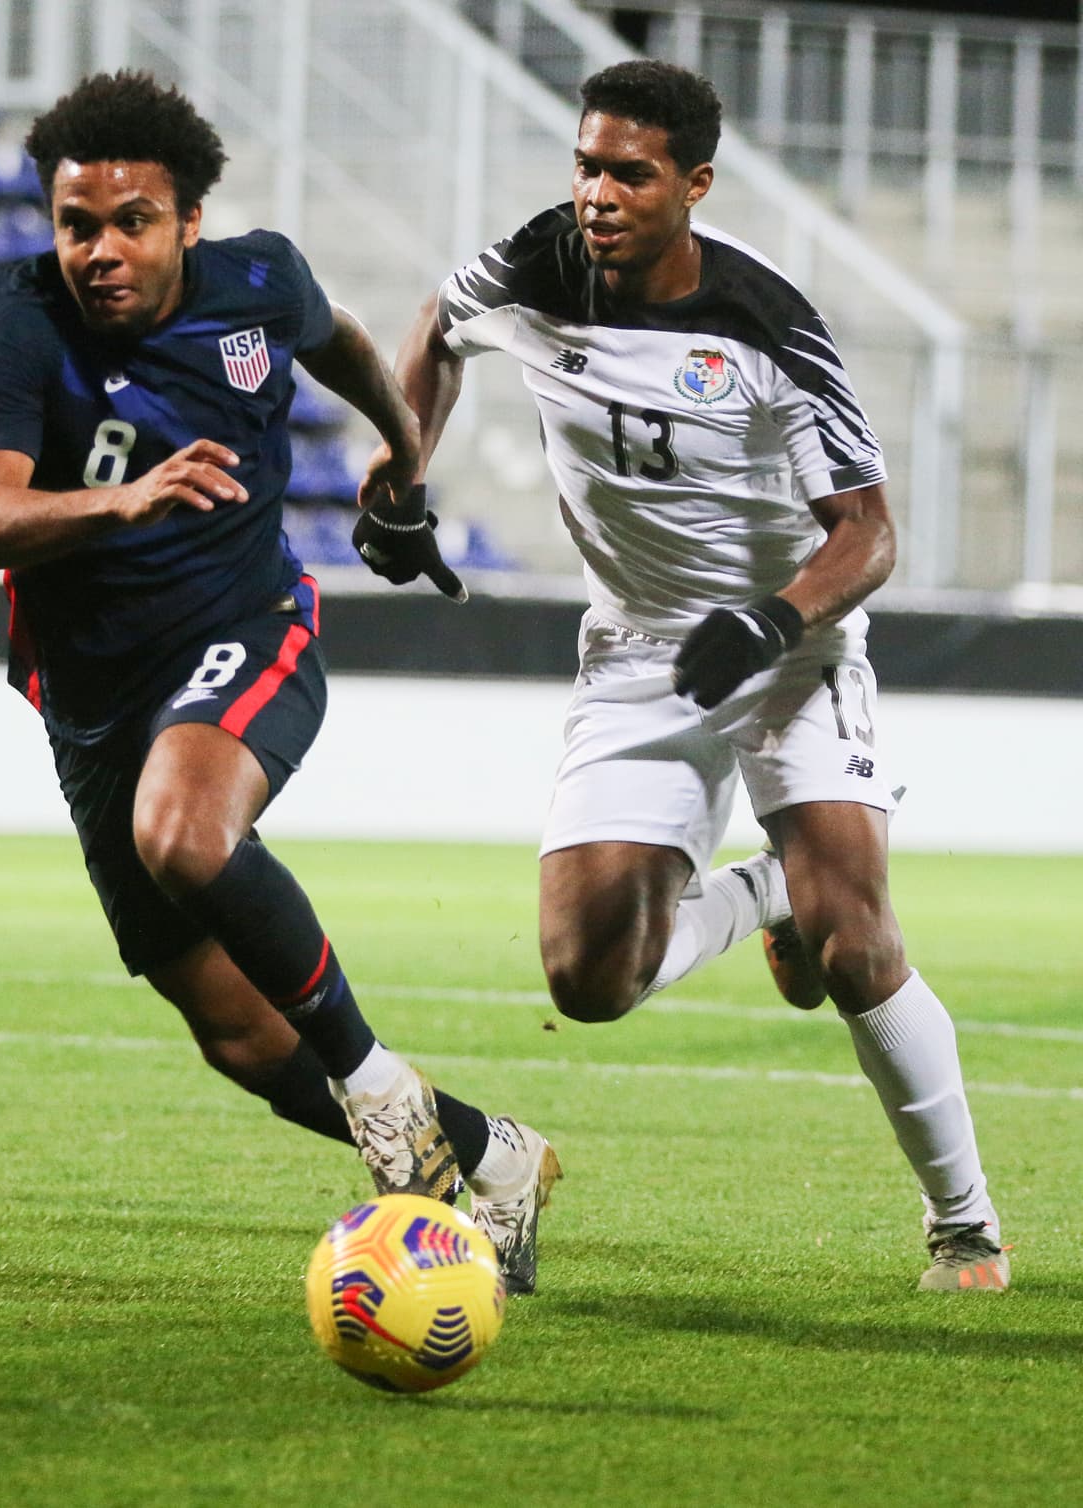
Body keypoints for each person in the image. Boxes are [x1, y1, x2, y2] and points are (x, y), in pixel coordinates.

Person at [355, 58, 1008, 1292]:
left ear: (693, 185)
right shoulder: (536, 263)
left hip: (787, 646)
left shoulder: (766, 325)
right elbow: (436, 334)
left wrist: (771, 623)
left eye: (628, 173)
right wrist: (400, 471)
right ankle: (769, 892)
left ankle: (963, 1228)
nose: (596, 193)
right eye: (585, 165)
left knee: (858, 943)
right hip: (637, 647)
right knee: (586, 979)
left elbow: (867, 532)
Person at [0, 70, 560, 1294]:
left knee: (183, 829)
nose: (101, 250)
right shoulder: (15, 324)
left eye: (131, 222)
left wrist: (403, 456)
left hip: (247, 629)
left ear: (188, 224)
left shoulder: (260, 279)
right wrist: (123, 496)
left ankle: (382, 1097)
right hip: (93, 704)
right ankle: (495, 1156)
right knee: (239, 1035)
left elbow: (343, 345)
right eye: (76, 224)